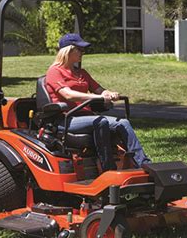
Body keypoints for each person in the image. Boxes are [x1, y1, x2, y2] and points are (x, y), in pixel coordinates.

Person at [45, 33, 151, 171]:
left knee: (123, 122)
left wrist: (108, 93)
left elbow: (99, 89)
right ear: (68, 50)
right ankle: (108, 168)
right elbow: (68, 95)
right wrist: (96, 97)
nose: (83, 52)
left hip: (86, 116)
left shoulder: (82, 73)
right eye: (80, 49)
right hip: (66, 119)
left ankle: (144, 163)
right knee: (100, 121)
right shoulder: (54, 71)